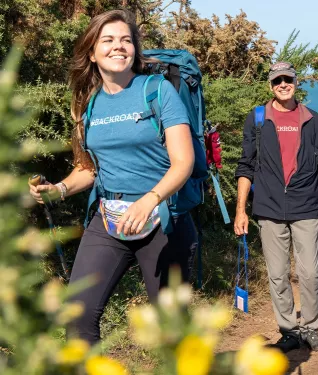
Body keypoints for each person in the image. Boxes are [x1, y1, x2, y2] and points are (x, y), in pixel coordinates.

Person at [28, 9, 197, 345]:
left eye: (125, 40)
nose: (118, 47)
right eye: (108, 40)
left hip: (163, 220)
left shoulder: (158, 90)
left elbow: (183, 162)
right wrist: (59, 189)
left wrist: (149, 201)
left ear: (135, 49)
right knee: (77, 314)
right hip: (110, 221)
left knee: (171, 332)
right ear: (92, 52)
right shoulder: (88, 105)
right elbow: (89, 168)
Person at [234, 61, 318, 353]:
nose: (283, 84)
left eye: (288, 79)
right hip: (268, 208)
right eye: (277, 80)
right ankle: (289, 331)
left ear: (295, 83)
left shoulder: (312, 120)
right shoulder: (257, 118)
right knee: (278, 274)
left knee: (310, 274)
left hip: (306, 206)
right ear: (271, 85)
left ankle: (310, 328)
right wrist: (240, 210)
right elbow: (245, 167)